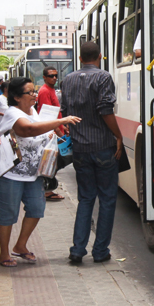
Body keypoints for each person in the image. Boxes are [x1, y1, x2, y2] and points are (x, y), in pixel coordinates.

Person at [0, 77, 80, 267]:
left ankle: (20, 245)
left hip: (33, 174)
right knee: (8, 214)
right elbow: (27, 130)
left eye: (34, 91)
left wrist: (51, 135)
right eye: (30, 92)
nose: (34, 95)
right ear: (16, 97)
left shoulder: (32, 110)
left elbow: (37, 131)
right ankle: (4, 253)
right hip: (10, 173)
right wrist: (61, 120)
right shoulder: (12, 113)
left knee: (36, 209)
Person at [60, 41, 123, 264]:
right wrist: (119, 136)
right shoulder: (104, 77)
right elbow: (105, 109)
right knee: (107, 200)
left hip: (80, 149)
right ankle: (100, 251)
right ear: (100, 56)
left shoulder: (67, 80)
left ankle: (77, 249)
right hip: (103, 147)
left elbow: (65, 112)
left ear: (80, 59)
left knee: (86, 199)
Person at [36, 67, 65, 201]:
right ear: (44, 77)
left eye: (55, 75)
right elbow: (49, 116)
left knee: (55, 162)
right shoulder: (44, 91)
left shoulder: (51, 90)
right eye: (51, 76)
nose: (54, 78)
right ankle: (47, 190)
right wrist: (59, 133)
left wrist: (62, 126)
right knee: (52, 162)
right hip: (51, 132)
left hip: (56, 129)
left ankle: (47, 189)